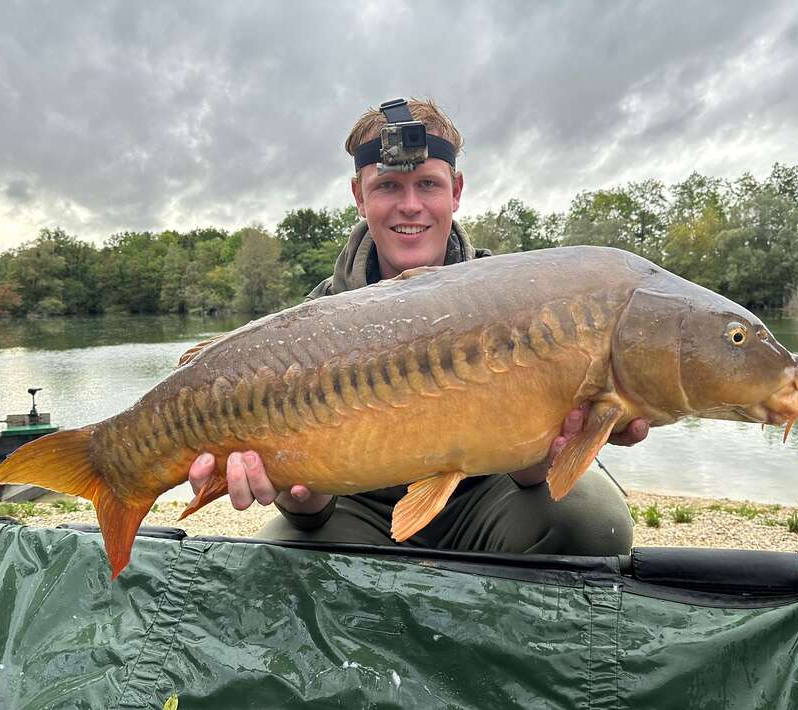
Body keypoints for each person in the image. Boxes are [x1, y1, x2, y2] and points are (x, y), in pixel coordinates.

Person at [188, 98, 647, 555]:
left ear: (456, 191)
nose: (411, 206)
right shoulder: (314, 322)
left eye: (428, 184)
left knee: (594, 520)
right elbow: (311, 512)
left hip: (486, 498)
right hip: (359, 508)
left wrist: (553, 449)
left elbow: (532, 479)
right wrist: (296, 492)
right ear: (359, 197)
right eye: (388, 186)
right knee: (279, 556)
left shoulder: (520, 302)